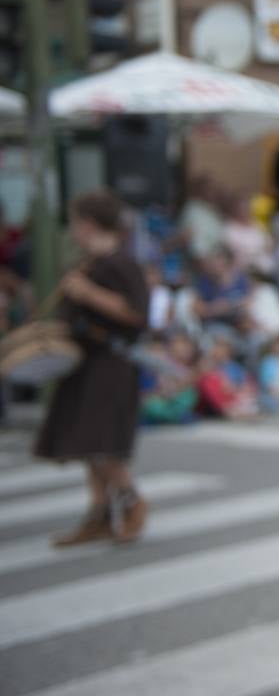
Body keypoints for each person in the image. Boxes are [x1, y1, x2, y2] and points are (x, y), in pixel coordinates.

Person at [34, 190, 151, 545]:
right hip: (85, 362)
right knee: (87, 442)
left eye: (75, 223)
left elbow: (136, 314)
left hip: (110, 362)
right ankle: (99, 513)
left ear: (88, 224)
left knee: (98, 441)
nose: (73, 231)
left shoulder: (121, 263)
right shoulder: (90, 263)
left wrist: (87, 293)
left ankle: (131, 500)